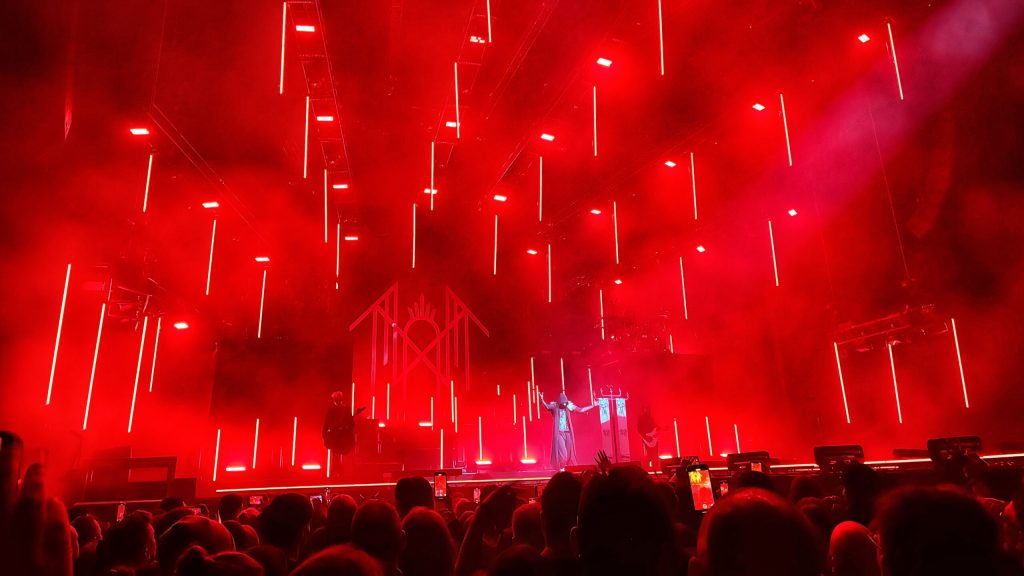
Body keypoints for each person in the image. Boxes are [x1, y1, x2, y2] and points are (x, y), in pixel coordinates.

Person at [539, 391, 596, 470]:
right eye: (563, 403)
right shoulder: (555, 406)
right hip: (559, 433)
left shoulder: (568, 406)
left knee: (569, 454)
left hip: (568, 433)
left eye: (565, 403)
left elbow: (581, 410)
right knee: (564, 454)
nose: (565, 405)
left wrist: (593, 405)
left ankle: (566, 470)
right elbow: (547, 407)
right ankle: (562, 469)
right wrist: (542, 400)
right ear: (560, 403)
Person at [322, 391, 366, 479]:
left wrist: (325, 433)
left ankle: (337, 473)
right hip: (342, 436)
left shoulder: (334, 409)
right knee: (341, 455)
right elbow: (350, 423)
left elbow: (327, 423)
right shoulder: (343, 409)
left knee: (337, 456)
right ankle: (341, 473)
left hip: (338, 436)